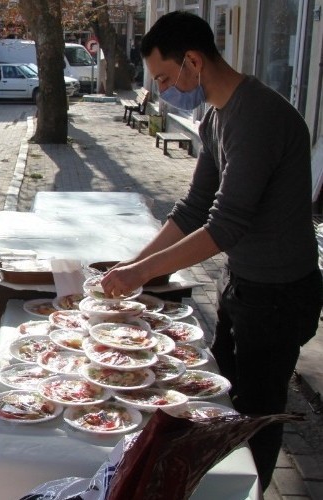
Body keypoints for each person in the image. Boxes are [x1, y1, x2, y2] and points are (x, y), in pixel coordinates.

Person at [100, 11, 323, 491]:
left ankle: (250, 489)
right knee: (217, 396)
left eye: (164, 78)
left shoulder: (258, 115)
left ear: (193, 62)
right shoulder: (217, 117)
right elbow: (194, 206)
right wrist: (133, 265)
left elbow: (224, 225)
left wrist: (142, 276)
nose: (161, 91)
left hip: (280, 295)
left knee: (256, 414)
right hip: (243, 286)